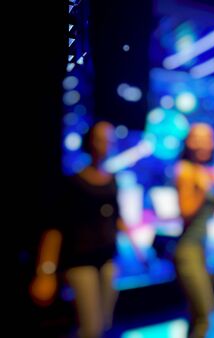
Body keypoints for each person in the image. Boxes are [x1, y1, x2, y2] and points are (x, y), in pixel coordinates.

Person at [30, 121, 125, 338]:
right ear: (89, 142)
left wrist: (140, 252)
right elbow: (55, 229)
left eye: (110, 139)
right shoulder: (73, 182)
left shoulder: (112, 180)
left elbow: (118, 219)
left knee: (104, 324)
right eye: (100, 138)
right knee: (90, 328)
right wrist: (45, 272)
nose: (105, 144)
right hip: (79, 260)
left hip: (107, 259)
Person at [174, 123, 214, 338]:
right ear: (188, 142)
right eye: (197, 138)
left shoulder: (203, 170)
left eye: (208, 137)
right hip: (188, 249)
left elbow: (209, 213)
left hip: (202, 247)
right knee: (205, 313)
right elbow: (185, 212)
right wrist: (205, 186)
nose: (203, 143)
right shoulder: (186, 170)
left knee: (196, 314)